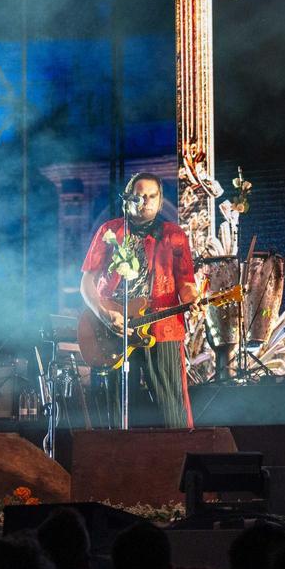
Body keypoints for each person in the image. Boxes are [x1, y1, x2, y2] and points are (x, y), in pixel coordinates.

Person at [80, 172, 198, 428]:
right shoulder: (109, 231)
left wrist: (194, 298)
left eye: (151, 196)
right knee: (117, 413)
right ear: (128, 198)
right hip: (113, 329)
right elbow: (86, 283)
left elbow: (186, 283)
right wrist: (104, 314)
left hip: (162, 329)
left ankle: (179, 458)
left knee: (173, 410)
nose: (144, 201)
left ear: (160, 200)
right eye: (139, 196)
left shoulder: (174, 235)